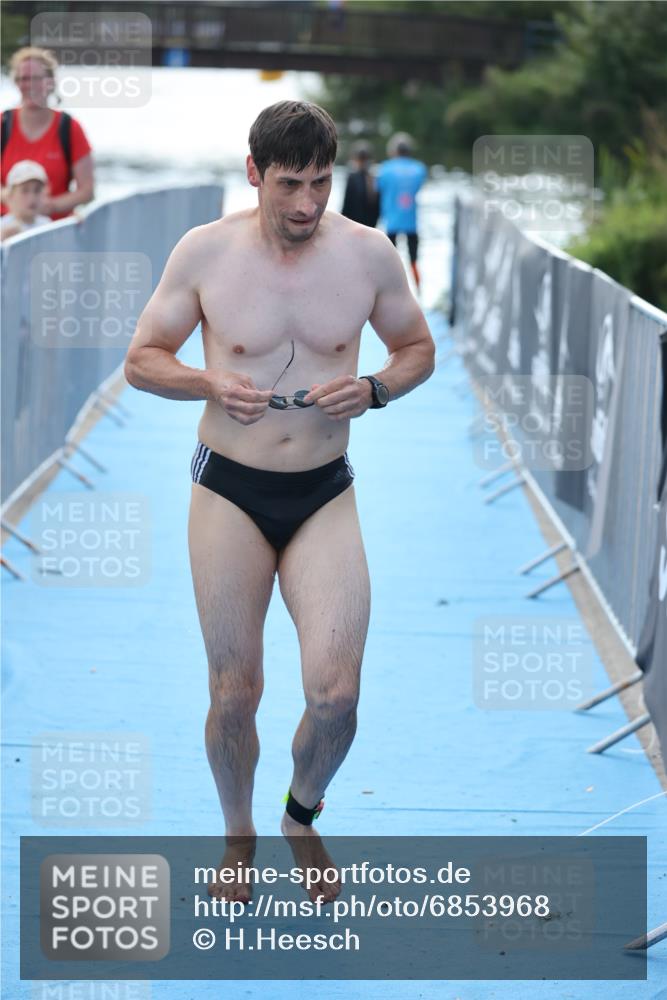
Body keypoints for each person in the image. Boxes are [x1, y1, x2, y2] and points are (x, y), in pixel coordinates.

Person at [124, 101, 435, 904]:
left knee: (336, 697)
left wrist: (374, 388)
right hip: (228, 488)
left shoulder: (366, 255)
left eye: (321, 183)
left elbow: (416, 349)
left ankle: (301, 814)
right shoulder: (205, 252)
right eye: (290, 184)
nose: (307, 203)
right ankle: (238, 836)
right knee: (235, 693)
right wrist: (208, 381)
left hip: (323, 492)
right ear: (254, 173)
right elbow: (142, 360)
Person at [1, 47, 94, 221]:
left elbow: (87, 191)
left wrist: (49, 206)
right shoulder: (3, 123)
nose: (30, 85)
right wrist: (13, 199)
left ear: (50, 82)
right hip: (7, 226)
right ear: (16, 83)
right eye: (24, 79)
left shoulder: (70, 128)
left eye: (36, 78)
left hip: (53, 226)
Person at [377, 133, 427, 292]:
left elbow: (379, 190)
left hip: (391, 221)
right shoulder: (419, 169)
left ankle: (392, 293)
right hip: (411, 221)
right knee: (414, 261)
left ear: (393, 151)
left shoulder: (385, 169)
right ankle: (419, 293)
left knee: (391, 262)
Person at [0, 160, 51, 240]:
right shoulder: (3, 227)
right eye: (25, 190)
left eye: (37, 190)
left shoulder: (48, 225)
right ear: (11, 195)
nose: (32, 197)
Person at [340, 141, 379, 228]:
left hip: (354, 225)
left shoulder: (352, 178)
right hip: (370, 226)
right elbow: (377, 208)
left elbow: (347, 204)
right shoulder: (374, 178)